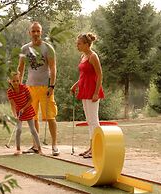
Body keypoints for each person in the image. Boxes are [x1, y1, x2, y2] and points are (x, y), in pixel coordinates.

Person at [17, 21, 60, 156]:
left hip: (45, 87)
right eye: (33, 31)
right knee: (33, 118)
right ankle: (35, 145)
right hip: (30, 88)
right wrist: (18, 85)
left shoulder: (48, 48)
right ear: (29, 33)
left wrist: (52, 85)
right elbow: (21, 68)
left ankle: (54, 145)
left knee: (50, 117)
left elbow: (53, 68)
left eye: (38, 31)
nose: (36, 33)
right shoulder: (24, 49)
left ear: (41, 32)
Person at [70, 33, 105, 158]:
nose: (77, 45)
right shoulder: (83, 56)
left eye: (79, 43)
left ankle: (97, 148)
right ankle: (91, 147)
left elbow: (100, 75)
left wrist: (96, 93)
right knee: (89, 121)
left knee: (94, 121)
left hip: (92, 91)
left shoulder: (93, 56)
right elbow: (83, 76)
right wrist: (75, 85)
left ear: (86, 44)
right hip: (84, 90)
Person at [7, 71, 43, 155]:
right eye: (13, 81)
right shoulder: (9, 92)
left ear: (19, 80)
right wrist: (15, 115)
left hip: (28, 109)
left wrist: (24, 108)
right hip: (18, 111)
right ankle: (18, 149)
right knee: (18, 130)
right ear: (10, 81)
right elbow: (12, 105)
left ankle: (40, 149)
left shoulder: (24, 88)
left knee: (33, 130)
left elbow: (30, 100)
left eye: (17, 80)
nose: (16, 83)